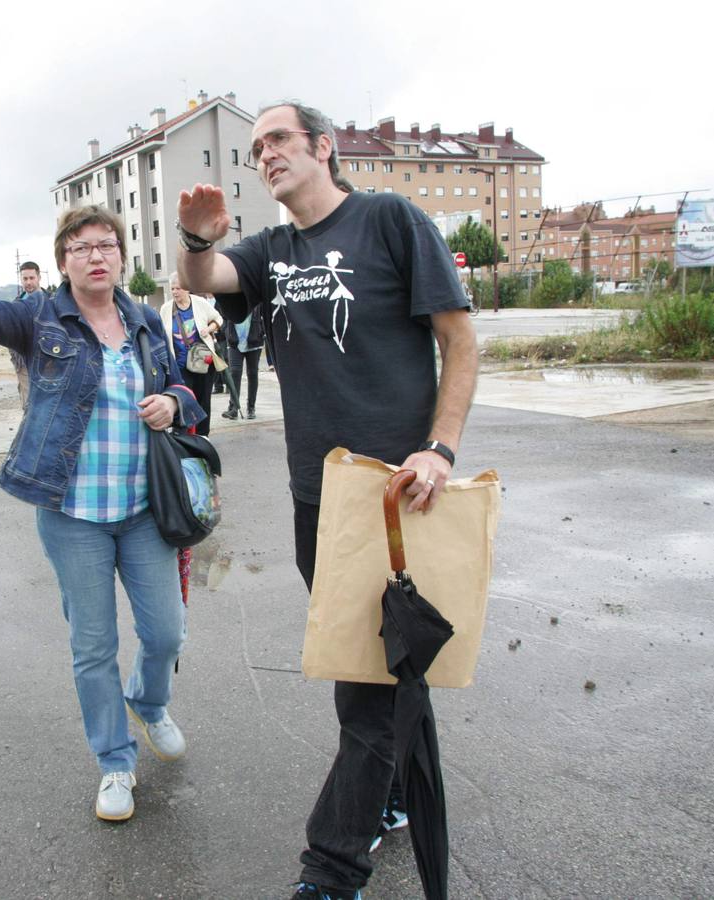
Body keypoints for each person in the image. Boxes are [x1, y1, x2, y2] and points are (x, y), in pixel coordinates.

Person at [177, 101, 478, 900]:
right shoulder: (271, 250)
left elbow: (458, 339)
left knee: (368, 682)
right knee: (386, 662)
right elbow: (205, 279)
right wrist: (199, 237)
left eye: (277, 139)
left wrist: (440, 447)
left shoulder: (389, 220)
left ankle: (332, 864)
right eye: (255, 148)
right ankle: (392, 799)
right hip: (321, 499)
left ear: (323, 146)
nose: (265, 153)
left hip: (403, 492)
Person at [0, 206, 203, 823]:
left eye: (106, 246)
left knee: (165, 633)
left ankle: (148, 703)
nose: (96, 256)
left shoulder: (146, 319)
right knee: (93, 644)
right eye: (81, 248)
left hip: (146, 509)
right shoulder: (40, 316)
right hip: (73, 514)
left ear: (121, 257)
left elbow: (184, 385)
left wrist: (174, 403)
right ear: (62, 260)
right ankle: (115, 762)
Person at [158, 275, 224, 436]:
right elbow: (160, 334)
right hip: (179, 365)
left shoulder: (200, 303)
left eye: (178, 288)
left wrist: (209, 329)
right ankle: (184, 435)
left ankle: (203, 435)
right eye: (172, 288)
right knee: (184, 400)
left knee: (204, 400)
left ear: (187, 288)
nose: (174, 292)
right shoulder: (166, 308)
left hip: (203, 362)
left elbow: (218, 319)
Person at [10, 261, 47, 408]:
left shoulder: (53, 302)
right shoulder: (16, 305)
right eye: (25, 279)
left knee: (50, 405)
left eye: (32, 278)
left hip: (50, 361)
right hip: (23, 363)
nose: (28, 282)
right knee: (29, 406)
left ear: (39, 277)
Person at [220, 307, 265, 420]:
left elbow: (265, 317)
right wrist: (226, 330)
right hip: (234, 341)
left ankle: (251, 407)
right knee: (234, 372)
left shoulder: (255, 298)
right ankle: (234, 408)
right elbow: (222, 318)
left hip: (254, 341)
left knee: (252, 373)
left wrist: (261, 331)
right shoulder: (231, 299)